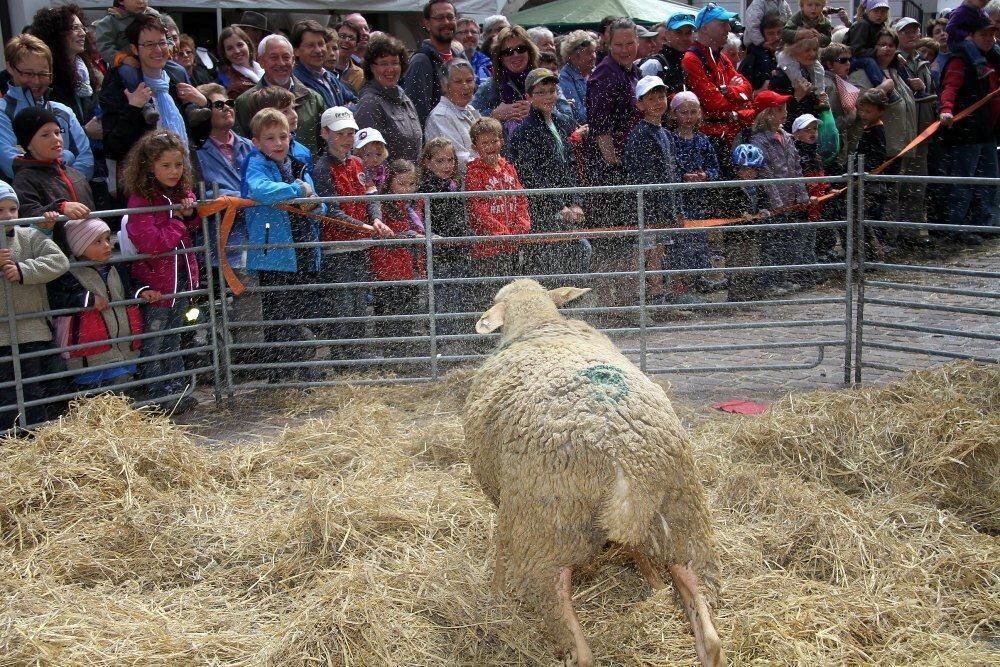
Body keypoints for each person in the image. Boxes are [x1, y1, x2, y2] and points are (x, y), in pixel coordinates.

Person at [240, 107, 324, 377]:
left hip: (301, 248)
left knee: (299, 310)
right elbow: (260, 190)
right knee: (279, 314)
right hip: (273, 253)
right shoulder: (255, 165)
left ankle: (299, 367)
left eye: (283, 136)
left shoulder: (298, 165)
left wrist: (314, 205)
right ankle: (281, 372)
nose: (278, 143)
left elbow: (318, 200)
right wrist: (297, 190)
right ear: (256, 142)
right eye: (270, 138)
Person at [119, 130, 200, 404]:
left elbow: (192, 227)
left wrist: (190, 211)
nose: (174, 171)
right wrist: (179, 219)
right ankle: (157, 394)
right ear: (149, 166)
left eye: (178, 164)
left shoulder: (178, 194)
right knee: (155, 341)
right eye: (165, 165)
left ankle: (177, 391)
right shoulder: (141, 200)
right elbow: (153, 243)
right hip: (156, 283)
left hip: (179, 280)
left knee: (173, 338)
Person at [47, 218, 161, 395]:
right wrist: (87, 299)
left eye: (107, 239)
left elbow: (129, 285)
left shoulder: (116, 267)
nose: (107, 245)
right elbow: (59, 298)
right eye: (98, 242)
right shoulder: (68, 272)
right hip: (88, 353)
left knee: (122, 387)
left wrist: (142, 291)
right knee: (95, 392)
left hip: (122, 346)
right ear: (78, 246)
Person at [311, 107, 389, 360]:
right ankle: (343, 357)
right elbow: (330, 210)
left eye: (350, 133)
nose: (347, 138)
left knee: (358, 301)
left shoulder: (357, 163)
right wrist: (364, 226)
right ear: (325, 133)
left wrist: (375, 218)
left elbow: (371, 196)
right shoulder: (322, 169)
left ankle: (356, 354)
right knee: (343, 303)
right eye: (340, 133)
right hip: (337, 248)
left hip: (359, 244)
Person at [506, 68, 590, 282]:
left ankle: (571, 300)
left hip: (566, 209)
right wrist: (558, 206)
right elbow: (529, 176)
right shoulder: (524, 132)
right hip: (541, 211)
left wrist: (576, 202)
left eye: (551, 91)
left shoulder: (561, 122)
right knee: (548, 266)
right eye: (540, 92)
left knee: (580, 253)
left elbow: (570, 166)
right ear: (528, 97)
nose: (548, 96)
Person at [0, 182, 70, 427]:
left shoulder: (29, 236)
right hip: (1, 335)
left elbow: (59, 261)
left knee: (34, 389)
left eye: (12, 209)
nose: (8, 216)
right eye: (0, 210)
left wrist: (24, 270)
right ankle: (9, 438)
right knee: (6, 393)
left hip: (32, 329)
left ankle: (34, 435)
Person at [99, 14, 209, 161]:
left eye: (162, 43)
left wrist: (203, 103)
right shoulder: (121, 81)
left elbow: (198, 138)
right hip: (142, 172)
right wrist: (133, 108)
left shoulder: (176, 75)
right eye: (149, 44)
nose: (158, 50)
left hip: (183, 169)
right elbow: (113, 147)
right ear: (134, 49)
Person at [938, 19, 1000, 244]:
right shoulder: (960, 60)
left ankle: (984, 225)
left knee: (989, 180)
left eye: (991, 35)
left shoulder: (992, 59)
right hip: (966, 132)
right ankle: (956, 227)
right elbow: (950, 87)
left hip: (987, 130)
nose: (989, 39)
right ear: (971, 37)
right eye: (983, 35)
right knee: (963, 182)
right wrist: (946, 109)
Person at [0, 34, 94, 180]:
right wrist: (67, 156)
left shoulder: (64, 111)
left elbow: (87, 163)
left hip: (71, 192)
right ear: (10, 68)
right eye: (28, 73)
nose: (36, 81)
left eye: (43, 74)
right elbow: (13, 165)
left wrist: (60, 183)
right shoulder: (3, 112)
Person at [622, 76, 681, 304]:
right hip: (646, 207)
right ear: (640, 104)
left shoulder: (666, 134)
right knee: (642, 251)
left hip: (663, 205)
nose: (658, 102)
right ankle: (635, 295)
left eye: (661, 97)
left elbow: (672, 173)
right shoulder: (639, 135)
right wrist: (655, 206)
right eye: (651, 98)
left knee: (658, 250)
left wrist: (675, 206)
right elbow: (641, 176)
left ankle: (656, 292)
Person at [749, 90, 812, 295]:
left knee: (785, 240)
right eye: (779, 109)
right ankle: (768, 281)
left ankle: (780, 277)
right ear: (767, 114)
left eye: (784, 109)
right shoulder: (759, 141)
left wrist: (801, 194)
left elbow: (796, 168)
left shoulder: (787, 137)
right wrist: (776, 202)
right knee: (771, 242)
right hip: (771, 202)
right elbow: (765, 175)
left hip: (788, 199)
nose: (784, 113)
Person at [464, 117, 530, 309]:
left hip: (513, 243)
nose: (491, 146)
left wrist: (522, 224)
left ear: (501, 141)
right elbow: (478, 209)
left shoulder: (509, 168)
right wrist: (500, 232)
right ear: (475, 147)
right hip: (488, 248)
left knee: (513, 294)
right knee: (492, 297)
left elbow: (520, 198)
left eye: (494, 141)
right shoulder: (474, 173)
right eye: (485, 143)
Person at [683, 5, 755, 178]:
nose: (728, 28)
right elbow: (713, 103)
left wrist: (726, 90)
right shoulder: (692, 59)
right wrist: (735, 97)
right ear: (705, 28)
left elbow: (748, 90)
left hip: (728, 134)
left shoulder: (721, 58)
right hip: (709, 137)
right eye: (722, 24)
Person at [11, 106, 95, 253]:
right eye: (45, 135)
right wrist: (59, 208)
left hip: (89, 254)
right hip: (53, 257)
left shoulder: (76, 174)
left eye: (57, 132)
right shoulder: (24, 179)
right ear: (28, 144)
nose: (56, 139)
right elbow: (28, 214)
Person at [666, 90, 720, 301]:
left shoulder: (703, 141)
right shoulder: (670, 140)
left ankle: (697, 279)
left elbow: (715, 169)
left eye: (692, 112)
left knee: (698, 240)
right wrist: (682, 177)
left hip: (698, 201)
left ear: (699, 114)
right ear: (674, 114)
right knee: (679, 243)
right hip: (679, 200)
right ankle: (680, 285)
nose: (688, 117)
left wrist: (705, 176)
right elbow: (668, 168)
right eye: (684, 112)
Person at [417, 137, 472, 340]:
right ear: (427, 162)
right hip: (438, 252)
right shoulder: (425, 187)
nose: (447, 165)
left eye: (450, 160)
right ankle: (442, 338)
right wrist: (435, 237)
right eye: (440, 161)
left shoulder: (453, 184)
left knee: (458, 293)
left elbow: (458, 214)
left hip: (457, 248)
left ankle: (456, 335)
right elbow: (421, 220)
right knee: (441, 295)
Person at [234, 34, 325, 155]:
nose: (281, 63)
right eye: (274, 58)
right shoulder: (246, 102)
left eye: (286, 57)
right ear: (261, 61)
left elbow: (324, 144)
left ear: (293, 60)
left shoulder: (313, 99)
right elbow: (240, 148)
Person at [369, 159, 424, 357]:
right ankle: (391, 355)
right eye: (401, 184)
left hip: (410, 268)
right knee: (388, 314)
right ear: (390, 182)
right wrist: (410, 236)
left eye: (411, 184)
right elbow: (385, 235)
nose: (407, 189)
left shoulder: (416, 203)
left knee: (408, 312)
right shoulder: (384, 204)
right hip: (388, 270)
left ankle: (403, 354)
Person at [894, 17, 937, 233]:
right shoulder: (892, 60)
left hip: (921, 131)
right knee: (897, 184)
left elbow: (931, 94)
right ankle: (893, 232)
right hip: (900, 133)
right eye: (906, 32)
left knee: (917, 183)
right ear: (897, 35)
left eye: (915, 31)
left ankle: (911, 231)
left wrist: (924, 90)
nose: (912, 35)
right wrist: (908, 86)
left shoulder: (922, 62)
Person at [28, 3, 101, 125]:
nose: (83, 33)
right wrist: (85, 131)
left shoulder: (84, 69)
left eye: (82, 27)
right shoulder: (47, 76)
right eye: (75, 28)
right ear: (57, 33)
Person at [355, 34, 423, 162]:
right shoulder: (369, 104)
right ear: (371, 67)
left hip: (412, 173)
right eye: (384, 64)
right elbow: (371, 158)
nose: (390, 69)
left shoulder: (405, 99)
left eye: (395, 63)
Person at [404, 1, 464, 127]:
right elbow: (418, 114)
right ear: (427, 24)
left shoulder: (459, 57)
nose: (446, 22)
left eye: (450, 17)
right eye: (439, 18)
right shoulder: (421, 61)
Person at [471, 25, 539, 130]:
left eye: (521, 49)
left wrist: (539, 110)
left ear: (529, 52)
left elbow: (566, 119)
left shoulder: (545, 81)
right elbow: (469, 118)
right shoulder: (490, 87)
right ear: (500, 58)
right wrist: (493, 115)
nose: (515, 55)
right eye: (508, 52)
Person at [724, 144, 769, 301]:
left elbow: (764, 200)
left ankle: (751, 290)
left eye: (752, 170)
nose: (748, 173)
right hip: (735, 234)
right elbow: (726, 206)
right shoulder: (731, 187)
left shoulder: (759, 186)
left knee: (753, 260)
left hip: (752, 232)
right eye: (744, 169)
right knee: (736, 261)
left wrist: (763, 209)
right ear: (737, 169)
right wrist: (740, 214)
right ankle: (735, 293)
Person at [424, 59, 481, 172]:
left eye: (469, 80)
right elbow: (458, 159)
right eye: (458, 82)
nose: (465, 86)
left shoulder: (470, 109)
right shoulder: (440, 116)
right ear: (445, 86)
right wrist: (488, 165)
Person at [290, 20, 357, 110]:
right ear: (296, 51)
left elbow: (356, 102)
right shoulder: (296, 81)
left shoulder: (330, 77)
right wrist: (343, 111)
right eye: (310, 45)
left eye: (321, 44)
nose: (318, 50)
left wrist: (343, 112)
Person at [777, 0, 836, 103]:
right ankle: (799, 84)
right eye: (809, 5)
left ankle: (819, 94)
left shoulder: (824, 22)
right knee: (790, 65)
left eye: (817, 5)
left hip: (810, 51)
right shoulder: (797, 18)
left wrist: (819, 36)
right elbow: (785, 33)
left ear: (823, 6)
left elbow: (827, 39)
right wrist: (801, 33)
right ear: (802, 6)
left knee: (819, 69)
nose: (813, 8)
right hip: (790, 50)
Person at [769, 37, 825, 128]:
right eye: (807, 50)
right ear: (793, 50)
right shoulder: (780, 77)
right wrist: (797, 97)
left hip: (810, 129)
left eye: (815, 49)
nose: (812, 54)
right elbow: (779, 118)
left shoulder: (809, 69)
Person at [846, 0, 897, 92]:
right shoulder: (862, 25)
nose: (879, 15)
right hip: (850, 60)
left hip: (867, 56)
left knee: (898, 60)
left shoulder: (881, 26)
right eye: (876, 11)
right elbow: (856, 50)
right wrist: (876, 52)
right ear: (868, 11)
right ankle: (883, 87)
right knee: (869, 61)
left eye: (883, 12)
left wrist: (897, 54)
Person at [92, 0, 161, 69]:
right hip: (127, 62)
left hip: (154, 56)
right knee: (128, 70)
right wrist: (123, 58)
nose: (141, 1)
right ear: (121, 1)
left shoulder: (153, 17)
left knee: (166, 64)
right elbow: (105, 47)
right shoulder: (109, 22)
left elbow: (164, 37)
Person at [641, 12, 696, 96]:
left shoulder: (690, 63)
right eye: (678, 32)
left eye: (688, 33)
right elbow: (638, 99)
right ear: (667, 35)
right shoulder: (655, 64)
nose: (684, 38)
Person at [945, 0, 1000, 78]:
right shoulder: (961, 11)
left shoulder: (979, 11)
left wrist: (992, 35)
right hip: (955, 41)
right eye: (984, 35)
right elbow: (949, 28)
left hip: (969, 38)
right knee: (969, 44)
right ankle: (980, 67)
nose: (985, 2)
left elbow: (986, 22)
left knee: (994, 46)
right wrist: (965, 35)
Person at [558, 31, 597, 124]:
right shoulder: (564, 79)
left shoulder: (595, 72)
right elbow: (579, 116)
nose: (594, 56)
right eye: (589, 53)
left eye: (594, 51)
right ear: (573, 57)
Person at [739, 12, 784, 93]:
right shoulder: (752, 60)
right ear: (763, 36)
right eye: (770, 34)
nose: (776, 37)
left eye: (779, 32)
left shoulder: (792, 55)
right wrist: (760, 91)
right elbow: (741, 93)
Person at [216, 27, 263, 100]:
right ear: (225, 54)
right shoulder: (234, 87)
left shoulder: (265, 69)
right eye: (230, 48)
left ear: (247, 44)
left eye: (240, 45)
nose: (237, 51)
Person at [456, 18, 492, 86]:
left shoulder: (487, 63)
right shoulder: (449, 61)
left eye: (474, 32)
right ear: (453, 37)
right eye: (464, 32)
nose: (470, 35)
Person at [354, 127, 389, 193]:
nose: (375, 159)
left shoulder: (385, 170)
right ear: (358, 155)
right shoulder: (355, 172)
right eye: (368, 155)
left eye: (378, 154)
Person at [333, 22, 366, 93]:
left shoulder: (361, 75)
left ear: (356, 46)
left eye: (351, 38)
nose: (346, 41)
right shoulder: (321, 68)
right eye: (342, 36)